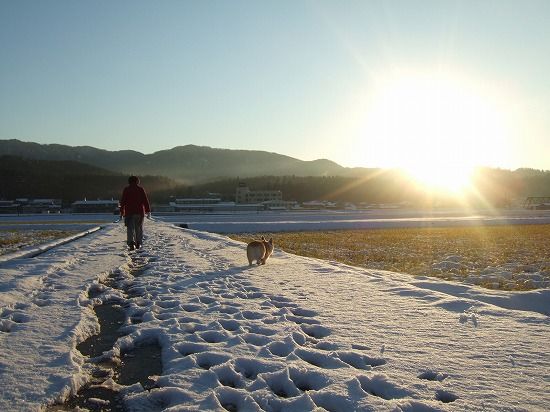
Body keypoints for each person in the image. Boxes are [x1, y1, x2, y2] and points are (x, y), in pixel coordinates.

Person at [120, 176, 151, 250]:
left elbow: (123, 201)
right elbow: (145, 200)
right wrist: (148, 210)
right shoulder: (140, 189)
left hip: (129, 212)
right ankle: (138, 243)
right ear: (137, 181)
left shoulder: (126, 189)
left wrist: (122, 211)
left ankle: (131, 243)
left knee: (130, 229)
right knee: (138, 228)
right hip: (139, 213)